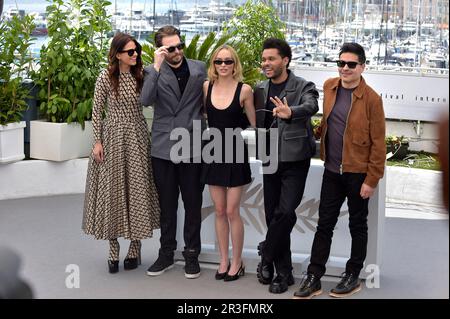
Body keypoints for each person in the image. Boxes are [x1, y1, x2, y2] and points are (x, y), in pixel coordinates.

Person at [293, 43, 386, 299]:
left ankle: (352, 274)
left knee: (357, 224)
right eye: (341, 63)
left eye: (351, 64)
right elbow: (328, 122)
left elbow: (379, 144)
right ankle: (314, 277)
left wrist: (372, 179)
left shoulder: (372, 99)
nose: (345, 68)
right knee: (324, 224)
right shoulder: (329, 87)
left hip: (358, 173)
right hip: (332, 171)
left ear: (362, 67)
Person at [82, 32, 160, 274]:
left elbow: (153, 99)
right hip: (112, 137)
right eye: (130, 51)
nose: (135, 54)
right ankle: (113, 248)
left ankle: (135, 247)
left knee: (136, 191)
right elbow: (97, 111)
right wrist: (97, 142)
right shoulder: (105, 76)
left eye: (136, 49)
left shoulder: (143, 75)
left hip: (136, 136)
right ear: (117, 55)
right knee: (112, 192)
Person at [140, 26, 206, 279]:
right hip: (163, 147)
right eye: (171, 48)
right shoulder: (151, 71)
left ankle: (192, 255)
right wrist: (156, 67)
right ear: (161, 50)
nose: (177, 51)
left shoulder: (199, 68)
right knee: (167, 206)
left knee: (192, 203)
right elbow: (145, 100)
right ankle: (166, 254)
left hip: (193, 146)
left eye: (180, 46)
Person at [254, 38, 319, 294]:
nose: (266, 63)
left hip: (295, 160)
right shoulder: (260, 88)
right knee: (273, 216)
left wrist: (290, 112)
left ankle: (267, 253)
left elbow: (312, 105)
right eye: (264, 59)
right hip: (269, 159)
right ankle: (284, 273)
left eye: (271, 59)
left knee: (284, 212)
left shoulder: (304, 85)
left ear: (285, 60)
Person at [200, 45, 256, 281]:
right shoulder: (207, 86)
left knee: (233, 211)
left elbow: (253, 123)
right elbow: (207, 118)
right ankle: (223, 260)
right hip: (213, 153)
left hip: (235, 154)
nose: (223, 66)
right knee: (220, 211)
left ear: (235, 65)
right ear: (213, 64)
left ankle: (237, 261)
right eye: (219, 62)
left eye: (228, 61)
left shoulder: (245, 90)